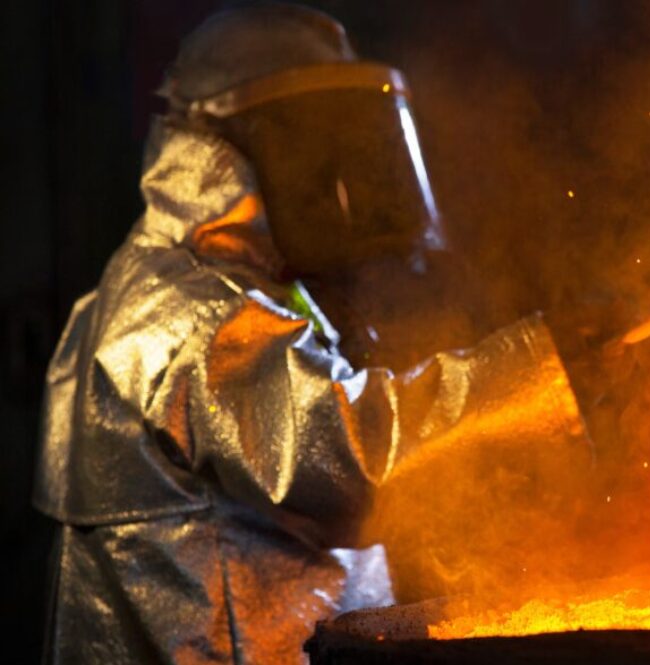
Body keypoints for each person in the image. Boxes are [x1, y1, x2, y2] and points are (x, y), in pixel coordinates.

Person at [34, 5, 605, 663]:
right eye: (320, 143)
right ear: (245, 149)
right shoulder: (184, 312)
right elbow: (350, 459)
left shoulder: (188, 286)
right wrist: (541, 369)